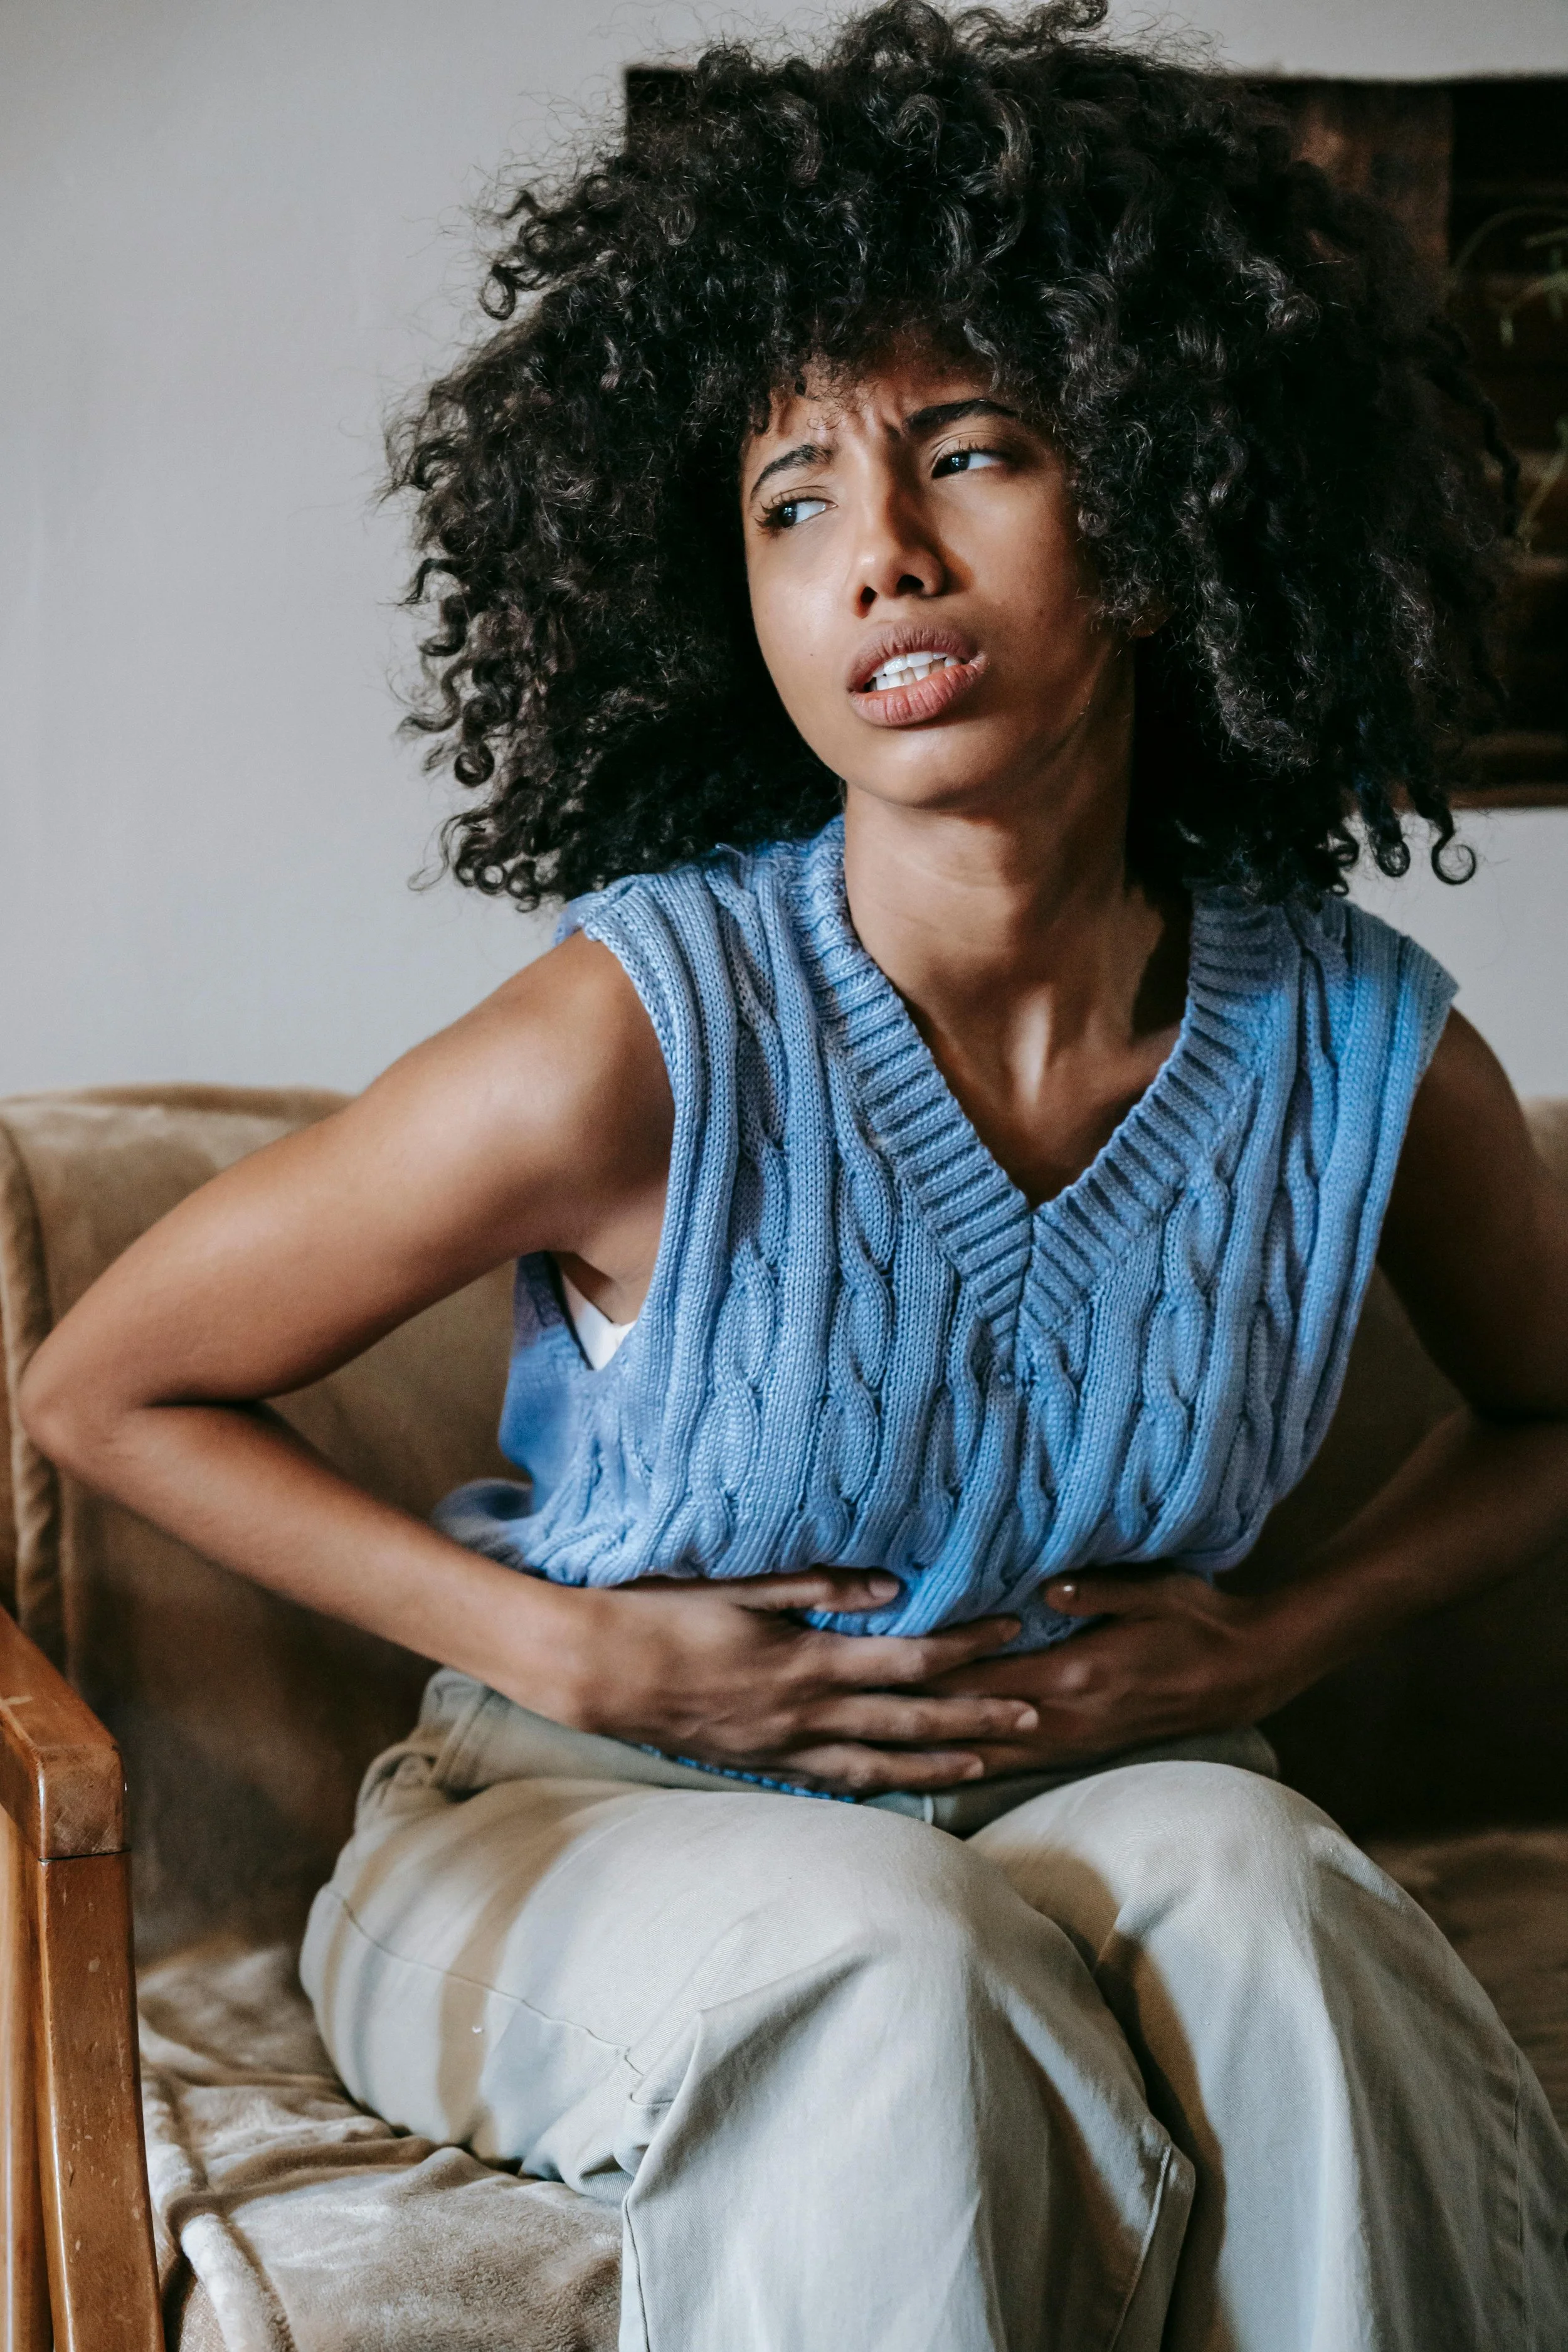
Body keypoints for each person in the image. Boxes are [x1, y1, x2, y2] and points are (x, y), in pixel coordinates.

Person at [21, 4, 1568, 2344]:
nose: (882, 560)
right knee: (888, 1950)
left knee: (1282, 1904)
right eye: (794, 502)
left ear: (1163, 519)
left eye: (971, 455)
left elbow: (1551, 1402)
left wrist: (1277, 1637)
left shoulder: (1360, 1045)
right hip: (579, 1819)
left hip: (1104, 1792)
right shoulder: (637, 1031)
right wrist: (573, 1645)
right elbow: (101, 1386)